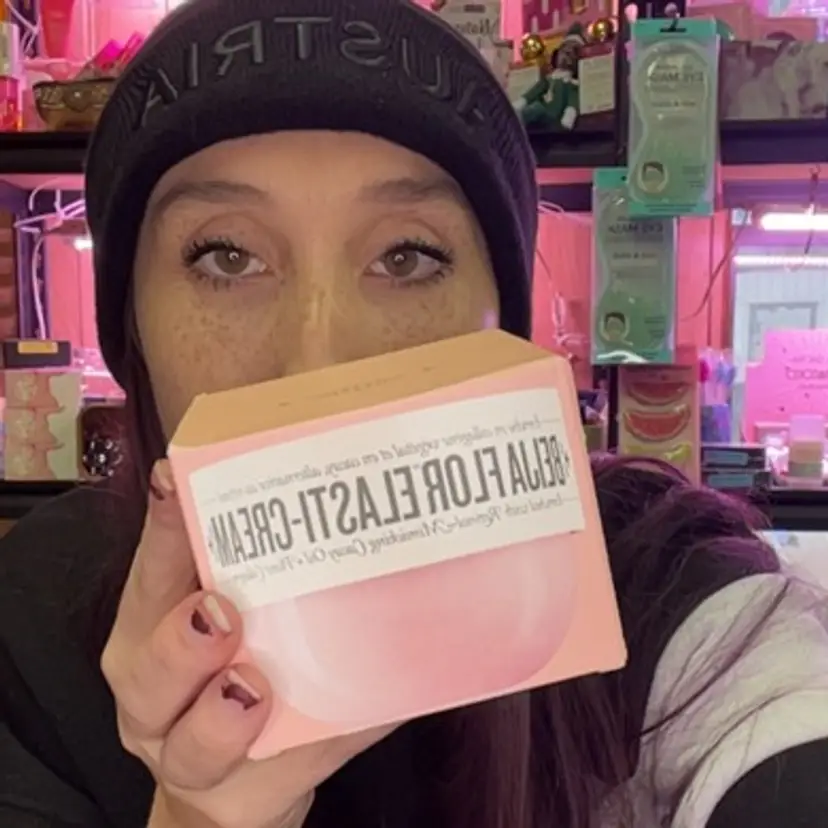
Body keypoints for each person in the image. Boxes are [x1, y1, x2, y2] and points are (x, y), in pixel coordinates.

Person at [2, 1, 828, 827]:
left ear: (500, 324)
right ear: (133, 328)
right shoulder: (34, 622)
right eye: (226, 255)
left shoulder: (654, 584)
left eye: (406, 257)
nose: (320, 362)